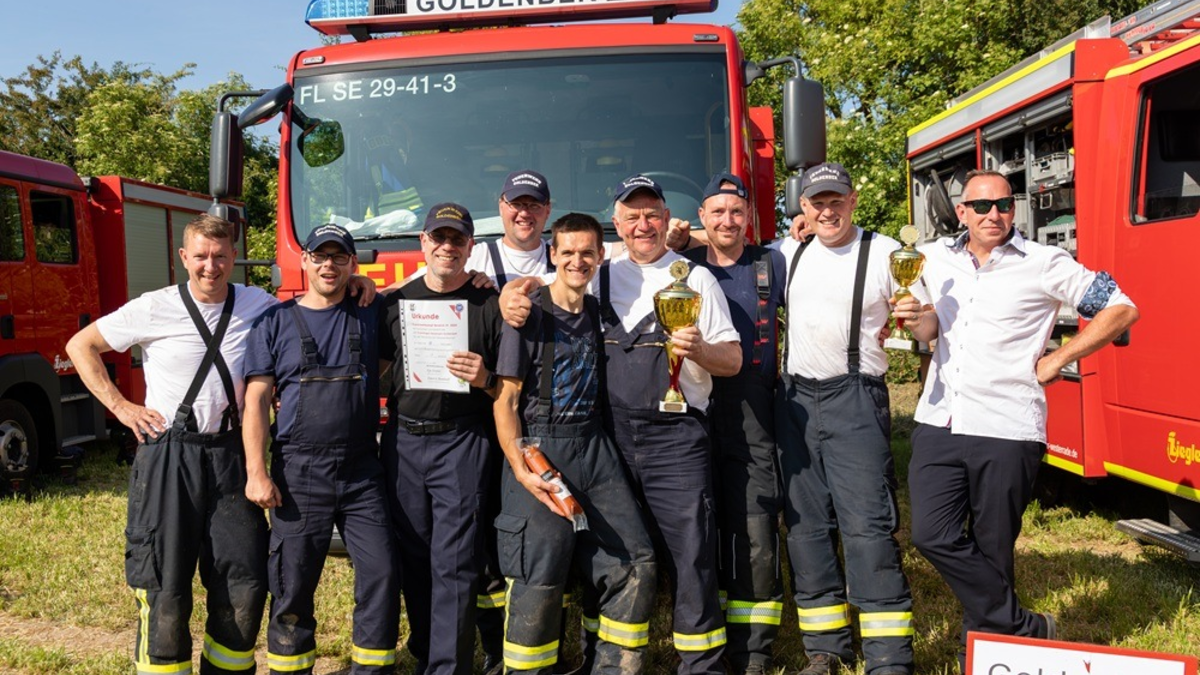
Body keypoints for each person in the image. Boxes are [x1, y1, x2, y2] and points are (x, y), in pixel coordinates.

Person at [65, 214, 377, 675]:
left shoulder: (261, 306)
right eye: (201, 256)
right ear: (183, 258)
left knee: (243, 580)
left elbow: (316, 298)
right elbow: (80, 346)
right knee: (165, 581)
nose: (210, 266)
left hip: (232, 454)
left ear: (234, 257)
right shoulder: (154, 307)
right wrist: (122, 408)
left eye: (220, 256)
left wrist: (359, 280)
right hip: (170, 454)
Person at [500, 174, 742, 675]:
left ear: (665, 219)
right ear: (618, 227)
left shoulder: (695, 279)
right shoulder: (600, 277)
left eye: (652, 213)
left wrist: (700, 350)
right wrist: (510, 293)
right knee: (606, 552)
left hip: (675, 440)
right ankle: (601, 659)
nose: (643, 224)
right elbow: (542, 287)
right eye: (632, 216)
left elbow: (735, 360)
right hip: (608, 437)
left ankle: (701, 665)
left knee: (691, 554)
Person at [897, 170, 1138, 668]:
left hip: (1007, 425)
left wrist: (1057, 359)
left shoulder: (1045, 262)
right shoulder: (937, 259)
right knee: (931, 534)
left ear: (1014, 209)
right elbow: (930, 325)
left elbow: (1120, 308)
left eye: (1003, 205)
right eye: (981, 206)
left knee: (992, 549)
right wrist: (916, 321)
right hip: (940, 417)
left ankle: (988, 656)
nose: (993, 215)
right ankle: (1024, 627)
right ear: (961, 212)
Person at [492, 212, 656, 674]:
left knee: (634, 561)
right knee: (538, 579)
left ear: (601, 257)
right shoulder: (527, 314)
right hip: (540, 448)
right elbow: (504, 402)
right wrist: (522, 467)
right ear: (553, 254)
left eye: (587, 252)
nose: (578, 261)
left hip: (594, 445)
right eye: (568, 252)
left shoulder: (600, 314)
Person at [776, 162, 914, 675]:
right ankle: (825, 650)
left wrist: (917, 320)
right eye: (817, 202)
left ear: (853, 201)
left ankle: (888, 659)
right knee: (805, 529)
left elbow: (920, 314)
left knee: (868, 529)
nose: (827, 210)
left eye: (836, 200)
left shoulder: (885, 253)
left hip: (855, 398)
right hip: (793, 402)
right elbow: (727, 237)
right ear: (803, 209)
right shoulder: (789, 251)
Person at [242, 223, 398, 674]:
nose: (328, 265)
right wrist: (257, 472)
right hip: (298, 471)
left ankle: (371, 669)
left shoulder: (371, 311)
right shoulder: (274, 321)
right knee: (292, 585)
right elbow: (255, 400)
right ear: (305, 260)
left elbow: (420, 290)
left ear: (352, 263)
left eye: (339, 257)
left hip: (361, 470)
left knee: (382, 574)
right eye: (320, 256)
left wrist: (368, 287)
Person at [379, 203, 504, 675]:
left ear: (471, 247)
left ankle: (449, 667)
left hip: (462, 441)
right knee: (412, 552)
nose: (447, 247)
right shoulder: (393, 304)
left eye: (457, 239)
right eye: (439, 238)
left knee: (453, 560)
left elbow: (509, 385)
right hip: (404, 442)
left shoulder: (489, 303)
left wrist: (486, 377)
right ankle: (429, 650)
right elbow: (379, 371)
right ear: (424, 244)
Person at [677, 173, 787, 675]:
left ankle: (754, 649)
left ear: (750, 217)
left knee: (754, 519)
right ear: (701, 217)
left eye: (736, 211)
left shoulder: (772, 263)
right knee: (700, 518)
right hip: (694, 403)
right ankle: (706, 627)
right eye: (716, 212)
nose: (727, 220)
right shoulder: (681, 266)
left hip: (751, 407)